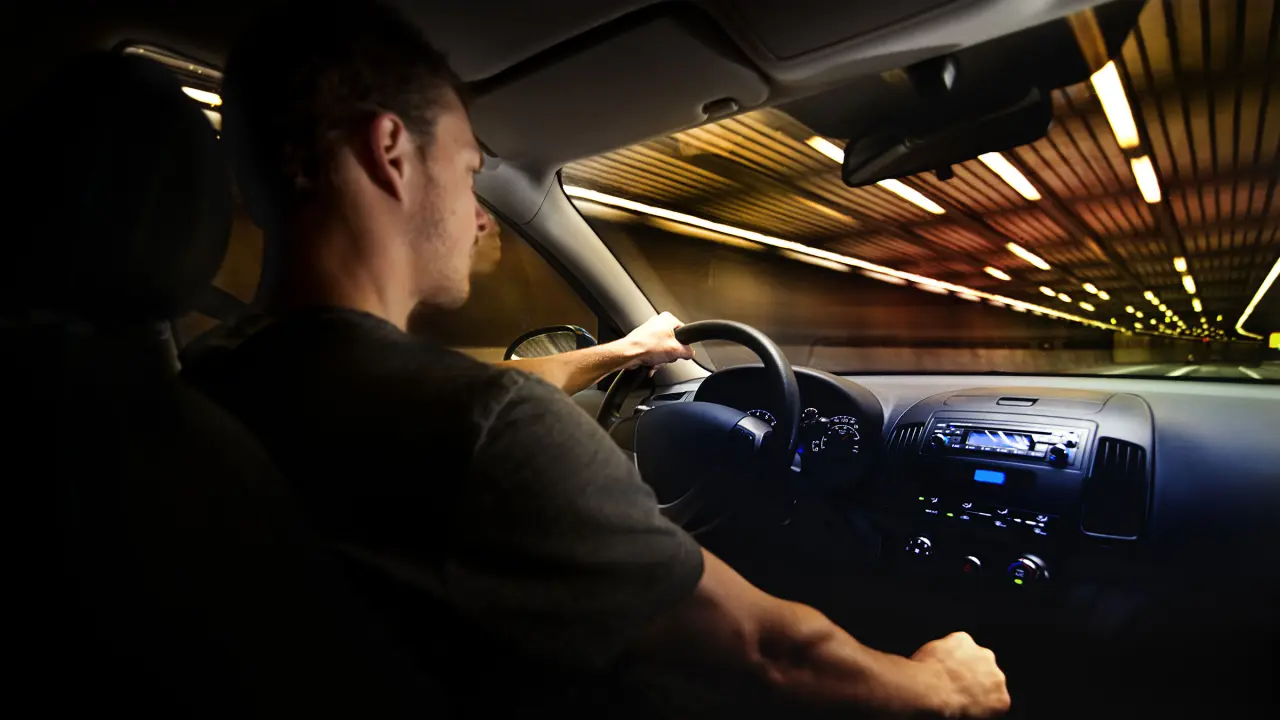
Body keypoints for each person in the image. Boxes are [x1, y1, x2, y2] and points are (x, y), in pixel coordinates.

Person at [190, 2, 1010, 718]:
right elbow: (770, 654)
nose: (481, 217)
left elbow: (479, 395)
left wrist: (624, 351)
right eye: (470, 172)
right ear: (389, 152)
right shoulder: (487, 435)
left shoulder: (212, 378)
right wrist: (941, 685)